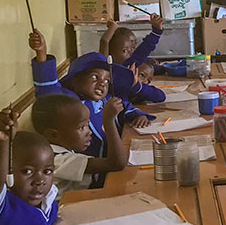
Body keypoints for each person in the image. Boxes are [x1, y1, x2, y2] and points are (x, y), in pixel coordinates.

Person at [29, 30, 153, 159]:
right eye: (94, 77)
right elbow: (48, 92)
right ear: (75, 79)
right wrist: (41, 55)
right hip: (96, 167)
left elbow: (125, 106)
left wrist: (139, 115)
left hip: (119, 156)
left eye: (107, 80)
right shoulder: (72, 103)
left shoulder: (106, 99)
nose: (102, 84)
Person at [31, 94, 128, 193]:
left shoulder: (55, 150)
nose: (89, 132)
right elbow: (116, 163)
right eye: (81, 127)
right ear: (53, 134)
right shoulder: (58, 160)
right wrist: (109, 121)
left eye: (87, 124)